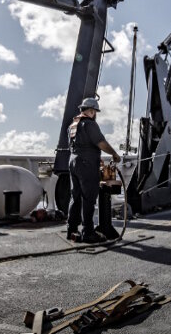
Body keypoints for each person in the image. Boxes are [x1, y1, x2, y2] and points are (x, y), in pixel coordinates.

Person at [66, 97, 121, 244]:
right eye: (95, 111)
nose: (95, 114)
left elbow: (77, 146)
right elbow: (101, 143)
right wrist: (114, 154)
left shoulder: (72, 125)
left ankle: (71, 229)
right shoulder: (89, 124)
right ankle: (88, 232)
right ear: (91, 110)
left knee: (75, 196)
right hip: (86, 164)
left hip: (73, 162)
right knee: (89, 198)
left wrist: (94, 155)